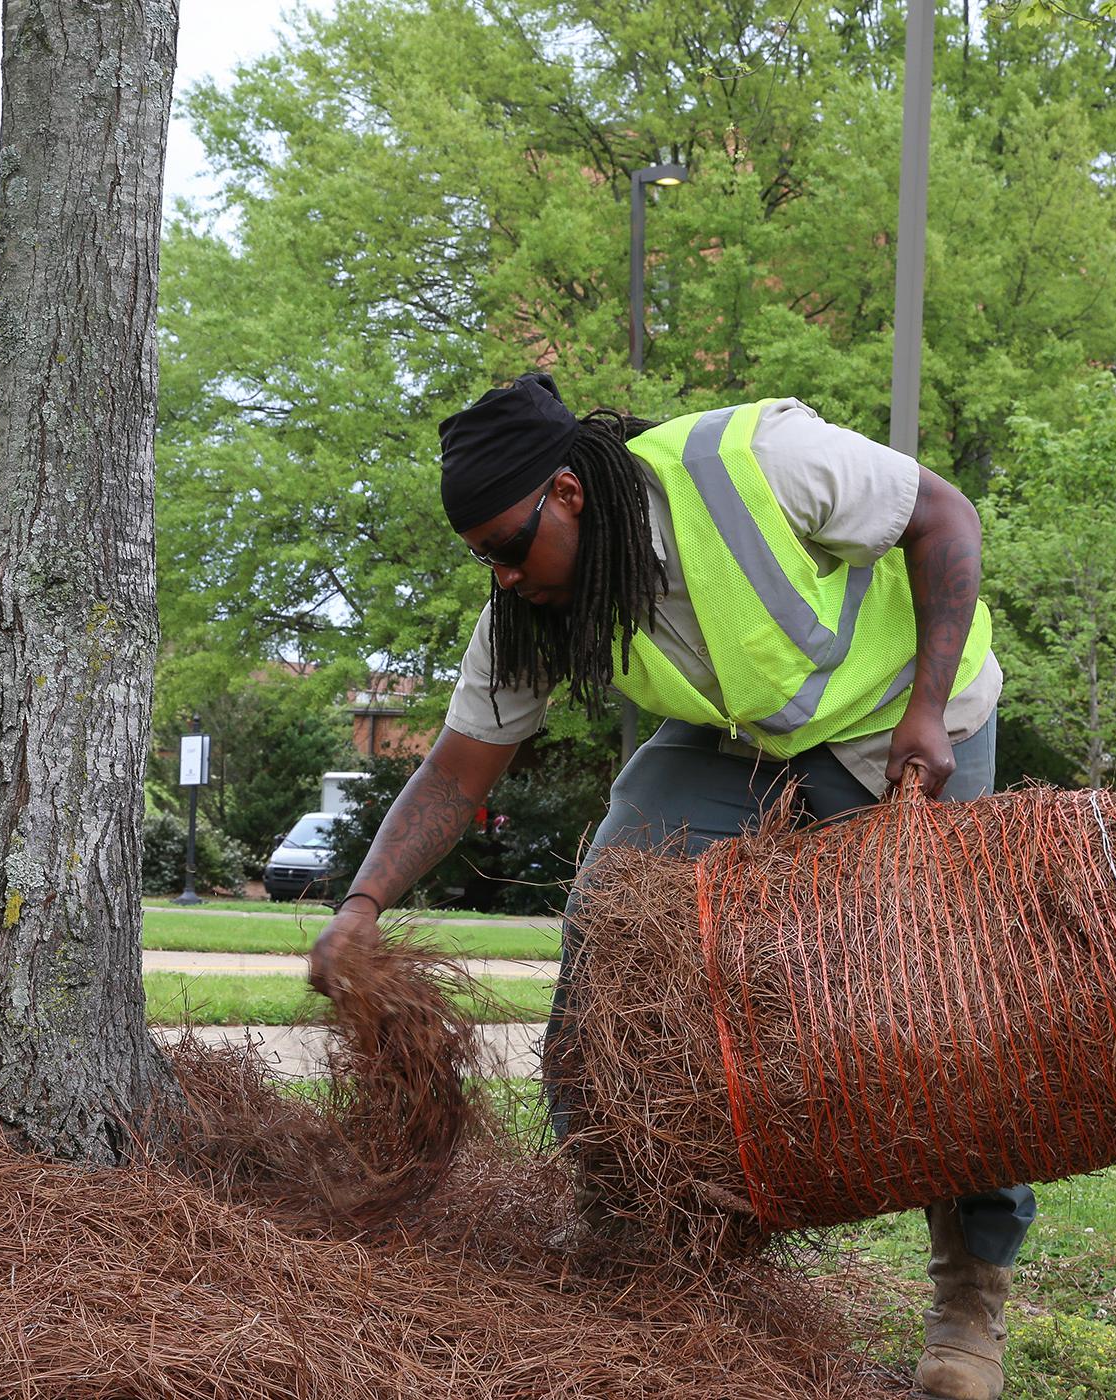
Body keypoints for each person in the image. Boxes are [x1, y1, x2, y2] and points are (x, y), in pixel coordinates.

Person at [309, 372, 1032, 1400]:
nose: (504, 577)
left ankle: (971, 1284)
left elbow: (943, 513)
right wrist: (361, 906)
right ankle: (620, 1227)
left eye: (509, 548)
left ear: (567, 493)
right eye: (484, 560)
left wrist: (925, 703)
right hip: (735, 742)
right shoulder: (534, 607)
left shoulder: (753, 464)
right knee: (608, 925)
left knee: (945, 1010)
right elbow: (455, 769)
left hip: (911, 723)